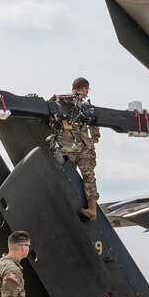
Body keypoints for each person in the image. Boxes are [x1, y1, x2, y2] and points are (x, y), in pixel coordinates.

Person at [52, 76, 100, 221]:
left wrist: (95, 137)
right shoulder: (61, 100)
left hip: (81, 147)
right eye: (87, 90)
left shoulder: (84, 105)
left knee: (87, 176)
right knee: (83, 176)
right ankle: (65, 207)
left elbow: (95, 119)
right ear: (84, 88)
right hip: (69, 147)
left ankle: (92, 209)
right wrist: (95, 137)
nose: (87, 93)